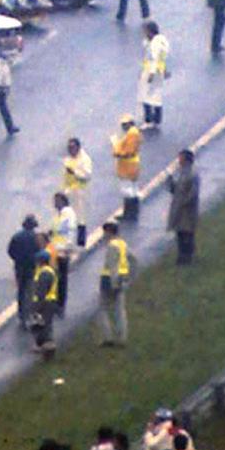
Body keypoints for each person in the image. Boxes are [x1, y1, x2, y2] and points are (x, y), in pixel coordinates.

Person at [98, 218, 130, 346]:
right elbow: (132, 260)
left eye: (105, 232)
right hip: (121, 279)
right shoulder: (122, 244)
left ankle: (107, 337)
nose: (104, 235)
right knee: (120, 310)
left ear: (109, 231)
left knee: (103, 309)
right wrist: (128, 276)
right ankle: (122, 337)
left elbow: (112, 266)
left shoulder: (111, 246)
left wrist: (113, 284)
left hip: (109, 280)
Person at [164, 149, 199, 263]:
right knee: (180, 234)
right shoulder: (182, 173)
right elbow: (176, 191)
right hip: (179, 210)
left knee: (187, 234)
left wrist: (183, 203)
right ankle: (181, 256)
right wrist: (170, 182)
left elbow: (193, 193)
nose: (179, 160)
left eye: (181, 158)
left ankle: (187, 257)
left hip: (187, 211)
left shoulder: (192, 175)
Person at [7, 214, 42, 327]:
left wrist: (17, 259)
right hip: (31, 267)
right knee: (30, 290)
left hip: (19, 266)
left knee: (21, 290)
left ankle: (21, 313)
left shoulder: (16, 237)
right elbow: (40, 251)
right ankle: (28, 314)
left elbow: (10, 251)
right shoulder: (36, 237)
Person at [138, 19, 170, 128]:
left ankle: (148, 120)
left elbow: (155, 59)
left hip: (152, 72)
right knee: (155, 96)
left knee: (146, 95)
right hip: (157, 71)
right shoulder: (160, 40)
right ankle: (157, 119)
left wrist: (151, 75)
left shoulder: (154, 44)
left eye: (145, 31)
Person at [61, 137, 93, 246]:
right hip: (69, 190)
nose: (70, 150)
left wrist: (74, 172)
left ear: (78, 147)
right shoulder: (68, 159)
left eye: (72, 147)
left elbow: (87, 175)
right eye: (69, 148)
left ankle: (81, 242)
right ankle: (68, 241)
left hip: (80, 193)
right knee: (67, 216)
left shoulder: (84, 160)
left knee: (80, 218)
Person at [48, 192, 78, 310]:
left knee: (61, 278)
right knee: (56, 277)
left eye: (56, 201)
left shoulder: (67, 214)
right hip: (55, 250)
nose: (54, 204)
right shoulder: (59, 215)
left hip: (62, 250)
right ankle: (57, 301)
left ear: (62, 201)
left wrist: (68, 248)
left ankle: (60, 304)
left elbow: (69, 231)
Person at [110, 115, 142, 222]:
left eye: (125, 124)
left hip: (127, 166)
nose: (123, 126)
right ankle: (132, 212)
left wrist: (115, 147)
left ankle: (129, 213)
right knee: (133, 189)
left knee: (127, 190)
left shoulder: (132, 134)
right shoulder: (132, 133)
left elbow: (126, 152)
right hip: (131, 164)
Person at [29, 250, 59, 355]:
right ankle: (42, 345)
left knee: (43, 325)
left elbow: (41, 291)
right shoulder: (47, 271)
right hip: (48, 302)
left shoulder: (45, 273)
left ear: (40, 261)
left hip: (46, 303)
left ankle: (48, 347)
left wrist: (36, 307)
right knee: (44, 324)